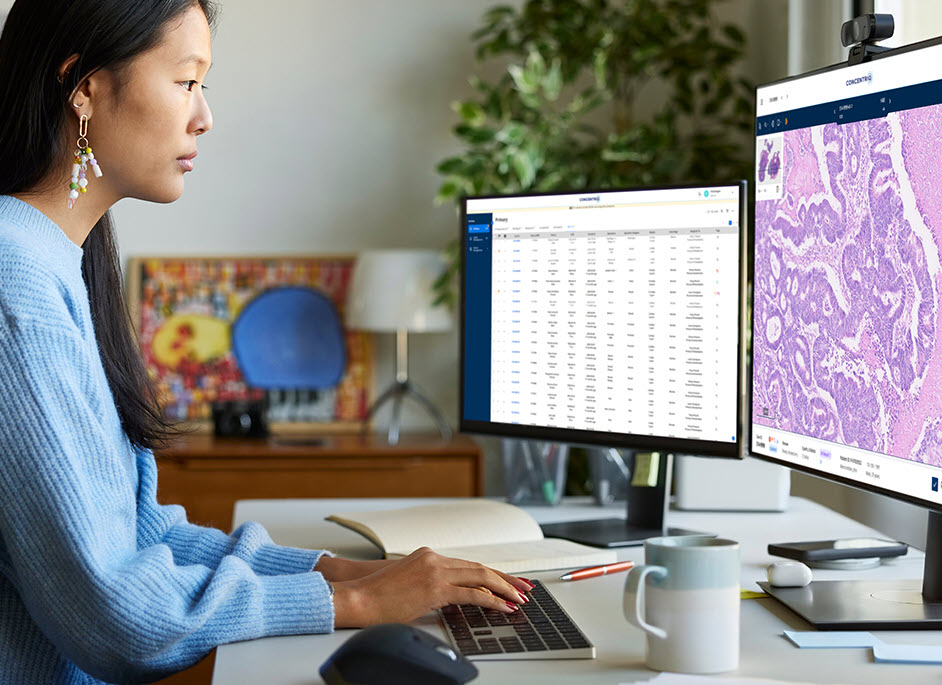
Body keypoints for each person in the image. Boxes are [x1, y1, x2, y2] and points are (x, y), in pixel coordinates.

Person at [0, 1, 533, 683]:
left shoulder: (55, 262)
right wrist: (356, 601)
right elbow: (117, 615)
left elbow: (143, 535)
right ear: (84, 86)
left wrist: (341, 568)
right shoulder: (18, 290)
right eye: (186, 82)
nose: (204, 117)